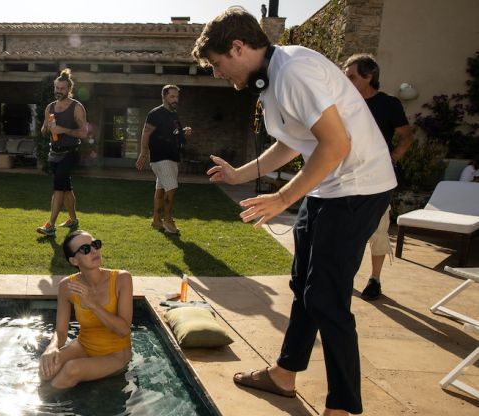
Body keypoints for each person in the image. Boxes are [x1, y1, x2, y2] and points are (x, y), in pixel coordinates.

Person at [193, 7, 396, 415]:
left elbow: (335, 145)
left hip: (358, 189)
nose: (217, 73)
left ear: (238, 47)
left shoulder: (295, 71)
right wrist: (240, 175)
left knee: (326, 298)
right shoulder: (274, 78)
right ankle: (284, 374)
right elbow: (291, 142)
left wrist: (283, 199)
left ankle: (343, 406)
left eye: (217, 64)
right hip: (329, 189)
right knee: (303, 285)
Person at [343, 53, 415, 301]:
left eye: (351, 76)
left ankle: (375, 279)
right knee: (344, 227)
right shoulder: (344, 103)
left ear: (369, 76)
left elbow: (406, 137)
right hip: (347, 175)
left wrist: (392, 158)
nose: (347, 80)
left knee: (378, 229)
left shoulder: (388, 104)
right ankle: (343, 276)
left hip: (378, 180)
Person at [38, 230, 133, 389]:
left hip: (116, 354)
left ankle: (35, 410)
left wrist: (93, 305)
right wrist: (52, 347)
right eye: (85, 249)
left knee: (72, 369)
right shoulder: (66, 286)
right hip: (83, 346)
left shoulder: (121, 279)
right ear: (74, 261)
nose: (94, 250)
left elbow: (123, 330)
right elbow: (61, 332)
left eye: (95, 244)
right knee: (47, 368)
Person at [36, 69, 88, 237]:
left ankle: (50, 225)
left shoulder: (77, 107)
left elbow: (83, 133)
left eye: (62, 88)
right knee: (66, 188)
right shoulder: (50, 107)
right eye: (56, 88)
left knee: (58, 187)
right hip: (54, 153)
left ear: (69, 89)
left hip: (70, 153)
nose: (58, 91)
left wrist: (63, 130)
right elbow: (44, 130)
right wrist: (47, 128)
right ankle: (73, 219)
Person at [135, 85, 192, 234]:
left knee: (161, 189)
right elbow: (146, 132)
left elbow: (177, 135)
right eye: (172, 96)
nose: (176, 100)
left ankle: (156, 220)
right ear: (164, 97)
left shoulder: (173, 114)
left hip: (172, 157)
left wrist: (184, 133)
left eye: (177, 97)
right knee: (172, 188)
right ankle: (167, 220)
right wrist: (143, 153)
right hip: (161, 157)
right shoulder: (156, 113)